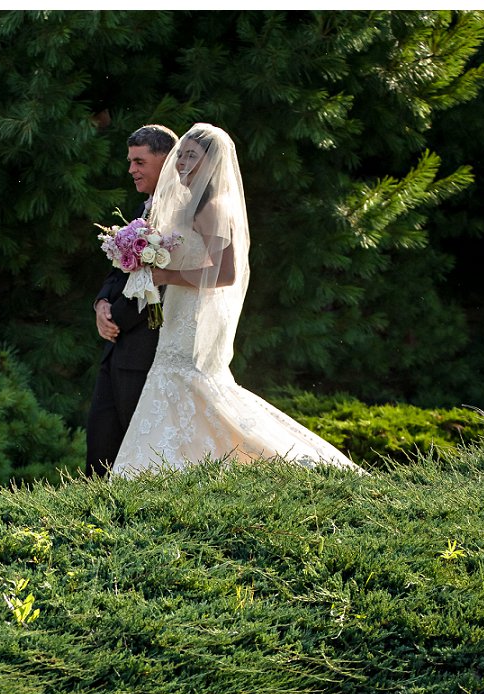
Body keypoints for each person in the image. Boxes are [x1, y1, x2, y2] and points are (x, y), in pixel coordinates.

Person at [111, 123, 358, 478]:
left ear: (211, 161)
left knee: (190, 383)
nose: (182, 162)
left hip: (195, 314)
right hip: (178, 308)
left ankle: (288, 458)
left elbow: (225, 274)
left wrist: (167, 276)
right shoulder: (187, 205)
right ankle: (181, 467)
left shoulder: (211, 207)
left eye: (191, 156)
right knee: (180, 385)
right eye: (181, 154)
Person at [87, 124, 176, 475]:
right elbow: (121, 270)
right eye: (130, 161)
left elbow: (161, 284)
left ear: (164, 160)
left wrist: (117, 319)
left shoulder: (177, 215)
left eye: (139, 161)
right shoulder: (144, 208)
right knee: (100, 446)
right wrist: (100, 305)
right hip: (118, 347)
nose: (131, 170)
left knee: (136, 456)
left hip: (144, 351)